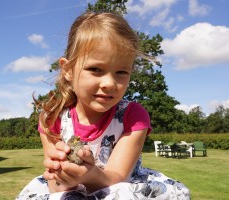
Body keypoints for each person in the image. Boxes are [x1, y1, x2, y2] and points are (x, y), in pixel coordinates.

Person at [16, 12, 190, 200]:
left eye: (121, 72)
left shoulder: (133, 116)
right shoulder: (52, 118)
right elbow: (55, 187)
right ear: (68, 70)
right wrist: (63, 174)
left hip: (118, 187)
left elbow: (117, 177)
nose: (109, 83)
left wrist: (90, 174)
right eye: (95, 69)